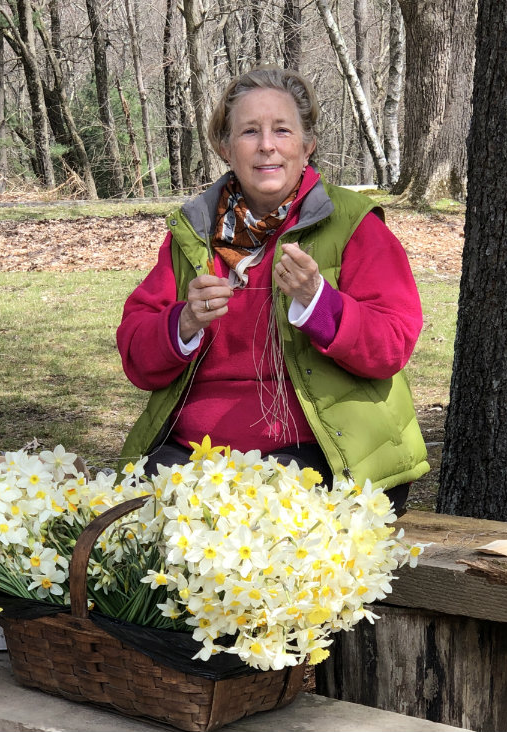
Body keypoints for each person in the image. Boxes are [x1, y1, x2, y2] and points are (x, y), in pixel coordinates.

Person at [117, 67, 428, 512]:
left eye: (282, 130)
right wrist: (183, 322)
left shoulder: (355, 224)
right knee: (132, 520)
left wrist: (319, 303)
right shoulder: (193, 232)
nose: (267, 145)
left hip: (320, 452)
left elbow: (392, 345)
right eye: (249, 131)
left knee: (260, 515)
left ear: (307, 146)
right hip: (196, 455)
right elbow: (137, 358)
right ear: (225, 147)